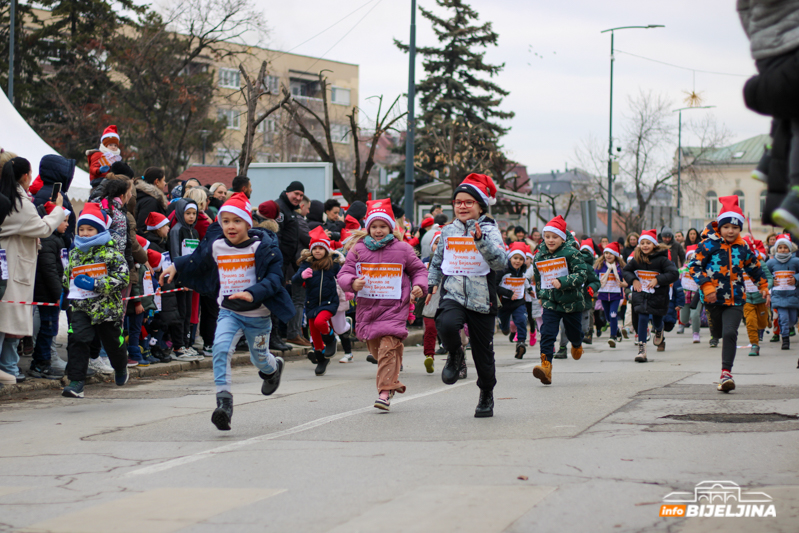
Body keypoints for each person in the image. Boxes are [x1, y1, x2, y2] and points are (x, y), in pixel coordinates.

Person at [160, 193, 293, 430]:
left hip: (258, 314)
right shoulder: (217, 246)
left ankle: (274, 367)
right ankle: (224, 404)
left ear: (247, 223)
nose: (230, 226)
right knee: (220, 349)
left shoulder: (264, 248)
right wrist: (175, 265)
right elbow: (197, 259)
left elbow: (274, 280)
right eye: (226, 221)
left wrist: (253, 293)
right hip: (228, 311)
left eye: (237, 221)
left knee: (259, 358)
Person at [427, 174, 507, 417]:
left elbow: (500, 261)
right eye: (458, 202)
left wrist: (481, 240)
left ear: (480, 205)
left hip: (482, 299)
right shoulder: (447, 230)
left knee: (484, 355)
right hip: (453, 293)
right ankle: (455, 354)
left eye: (468, 202)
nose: (462, 206)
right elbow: (438, 260)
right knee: (446, 324)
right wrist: (432, 282)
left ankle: (486, 394)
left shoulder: (491, 231)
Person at [338, 199, 428, 412]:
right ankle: (393, 369)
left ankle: (384, 393)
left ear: (391, 227)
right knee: (379, 351)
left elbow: (419, 271)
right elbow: (344, 273)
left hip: (395, 307)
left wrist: (419, 286)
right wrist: (352, 282)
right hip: (368, 309)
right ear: (368, 228)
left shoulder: (403, 249)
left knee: (388, 347)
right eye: (374, 226)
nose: (378, 231)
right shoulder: (358, 249)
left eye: (383, 226)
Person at [689, 196, 768, 392]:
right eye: (726, 227)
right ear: (720, 227)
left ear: (739, 229)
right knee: (717, 332)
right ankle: (715, 334)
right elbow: (694, 266)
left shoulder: (743, 247)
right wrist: (707, 287)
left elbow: (754, 268)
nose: (730, 231)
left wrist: (763, 287)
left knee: (730, 332)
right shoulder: (708, 245)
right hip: (712, 298)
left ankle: (726, 374)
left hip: (735, 299)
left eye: (735, 227)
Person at [0, 158, 66, 383]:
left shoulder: (11, 197)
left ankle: (9, 367)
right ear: (26, 175)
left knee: (9, 321)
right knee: (7, 320)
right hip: (14, 267)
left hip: (13, 264)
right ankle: (7, 367)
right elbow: (44, 228)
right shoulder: (19, 202)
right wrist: (58, 209)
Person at [61, 204, 130, 398]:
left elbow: (123, 278)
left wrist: (96, 283)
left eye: (90, 229)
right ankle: (76, 383)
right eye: (81, 229)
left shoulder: (111, 253)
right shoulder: (75, 252)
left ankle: (120, 366)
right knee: (77, 339)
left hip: (106, 309)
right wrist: (68, 287)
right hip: (81, 307)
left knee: (112, 343)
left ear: (100, 230)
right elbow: (67, 277)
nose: (84, 233)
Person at [531, 215, 589, 385]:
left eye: (554, 237)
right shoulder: (540, 254)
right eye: (547, 236)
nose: (550, 240)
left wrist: (562, 282)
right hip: (550, 302)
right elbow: (538, 277)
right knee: (547, 333)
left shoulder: (572, 253)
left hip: (571, 301)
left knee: (572, 332)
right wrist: (541, 295)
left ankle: (577, 343)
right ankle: (546, 367)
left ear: (562, 238)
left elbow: (582, 274)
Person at [293, 227, 344, 376]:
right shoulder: (306, 265)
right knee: (314, 336)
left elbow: (343, 277)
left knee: (320, 322)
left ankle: (330, 338)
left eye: (321, 248)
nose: (318, 251)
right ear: (311, 250)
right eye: (315, 248)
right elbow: (295, 280)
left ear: (326, 250)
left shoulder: (332, 264)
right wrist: (302, 275)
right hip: (312, 304)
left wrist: (348, 291)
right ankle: (321, 359)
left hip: (329, 302)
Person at [622, 229, 679, 363]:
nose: (645, 246)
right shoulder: (637, 259)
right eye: (642, 243)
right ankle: (642, 350)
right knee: (642, 318)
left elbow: (674, 274)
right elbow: (626, 270)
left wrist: (658, 279)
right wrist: (634, 280)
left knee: (657, 321)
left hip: (658, 297)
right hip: (641, 295)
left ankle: (659, 330)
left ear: (654, 244)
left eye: (648, 243)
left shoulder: (662, 260)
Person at [29, 202, 70, 379]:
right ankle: (40, 363)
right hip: (48, 294)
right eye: (64, 220)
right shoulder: (49, 241)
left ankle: (43, 362)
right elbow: (49, 270)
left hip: (52, 293)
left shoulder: (57, 240)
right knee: (47, 329)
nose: (67, 224)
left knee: (50, 330)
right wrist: (59, 293)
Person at [276, 181, 311, 347]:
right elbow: (279, 237)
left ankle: (281, 335)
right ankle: (279, 336)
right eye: (295, 194)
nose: (298, 198)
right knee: (282, 299)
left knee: (285, 299)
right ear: (287, 192)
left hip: (288, 264)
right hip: (281, 263)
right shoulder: (281, 208)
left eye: (301, 195)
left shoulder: (289, 210)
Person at [168, 199, 202, 361]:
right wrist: (182, 278)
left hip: (192, 279)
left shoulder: (193, 232)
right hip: (181, 281)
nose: (191, 217)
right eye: (188, 213)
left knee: (189, 313)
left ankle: (187, 344)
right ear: (181, 213)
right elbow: (176, 255)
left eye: (194, 214)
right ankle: (178, 346)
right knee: (181, 313)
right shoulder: (176, 230)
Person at [497, 242, 530, 359]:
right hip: (504, 303)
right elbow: (494, 286)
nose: (518, 261)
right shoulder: (502, 270)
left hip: (518, 301)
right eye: (515, 258)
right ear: (510, 258)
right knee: (505, 328)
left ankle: (521, 342)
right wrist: (508, 293)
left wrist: (530, 289)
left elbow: (525, 281)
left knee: (521, 319)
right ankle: (506, 329)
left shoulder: (523, 270)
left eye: (521, 259)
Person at [766, 234, 799, 351]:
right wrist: (771, 281)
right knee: (783, 319)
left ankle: (789, 328)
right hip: (778, 296)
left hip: (793, 296)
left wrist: (796, 278)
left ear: (790, 249)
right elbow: (765, 275)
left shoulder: (796, 261)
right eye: (780, 247)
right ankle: (785, 340)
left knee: (792, 320)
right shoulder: (771, 263)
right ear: (776, 249)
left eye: (785, 247)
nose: (783, 250)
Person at [742, 236, 772, 356]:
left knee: (761, 323)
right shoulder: (737, 263)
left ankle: (767, 318)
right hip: (747, 299)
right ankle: (754, 345)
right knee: (750, 322)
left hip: (760, 298)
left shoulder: (759, 263)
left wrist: (766, 289)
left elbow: (769, 278)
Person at [595, 242, 626, 348]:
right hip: (603, 295)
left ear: (616, 255)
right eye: (606, 253)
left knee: (613, 315)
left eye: (611, 253)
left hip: (615, 295)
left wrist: (624, 283)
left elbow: (626, 278)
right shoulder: (600, 266)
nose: (608, 255)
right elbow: (594, 278)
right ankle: (616, 330)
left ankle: (612, 337)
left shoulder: (620, 267)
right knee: (608, 317)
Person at [421, 231, 442, 373]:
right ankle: (429, 356)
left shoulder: (454, 262)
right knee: (430, 330)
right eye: (436, 243)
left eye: (442, 243)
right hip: (430, 302)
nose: (439, 246)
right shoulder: (424, 262)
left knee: (450, 331)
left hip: (448, 301)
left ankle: (456, 356)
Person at [135, 167, 168, 234]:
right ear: (157, 181)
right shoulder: (150, 202)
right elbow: (143, 227)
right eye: (163, 180)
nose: (165, 183)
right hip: (150, 241)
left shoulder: (145, 196)